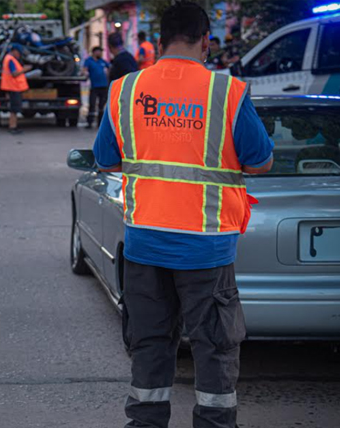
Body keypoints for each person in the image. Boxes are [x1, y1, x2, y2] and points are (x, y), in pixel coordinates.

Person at [93, 2, 274, 427]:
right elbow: (260, 161)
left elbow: (105, 159)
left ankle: (146, 422)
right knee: (214, 346)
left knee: (150, 343)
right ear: (206, 41)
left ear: (158, 43)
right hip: (206, 249)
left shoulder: (126, 90)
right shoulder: (227, 92)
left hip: (144, 245)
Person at [1, 43, 32, 135]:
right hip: (14, 87)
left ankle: (13, 126)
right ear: (14, 51)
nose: (19, 55)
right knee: (14, 109)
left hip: (12, 87)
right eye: (19, 52)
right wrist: (25, 69)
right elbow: (14, 74)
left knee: (14, 109)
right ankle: (12, 127)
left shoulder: (9, 58)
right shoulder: (10, 60)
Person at [82, 46, 110, 129]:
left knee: (102, 105)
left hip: (104, 86)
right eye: (99, 51)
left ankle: (100, 123)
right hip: (94, 86)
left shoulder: (103, 61)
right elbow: (84, 69)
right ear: (94, 52)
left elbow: (110, 67)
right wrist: (85, 73)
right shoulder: (89, 61)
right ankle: (90, 122)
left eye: (101, 52)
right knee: (92, 104)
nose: (100, 53)